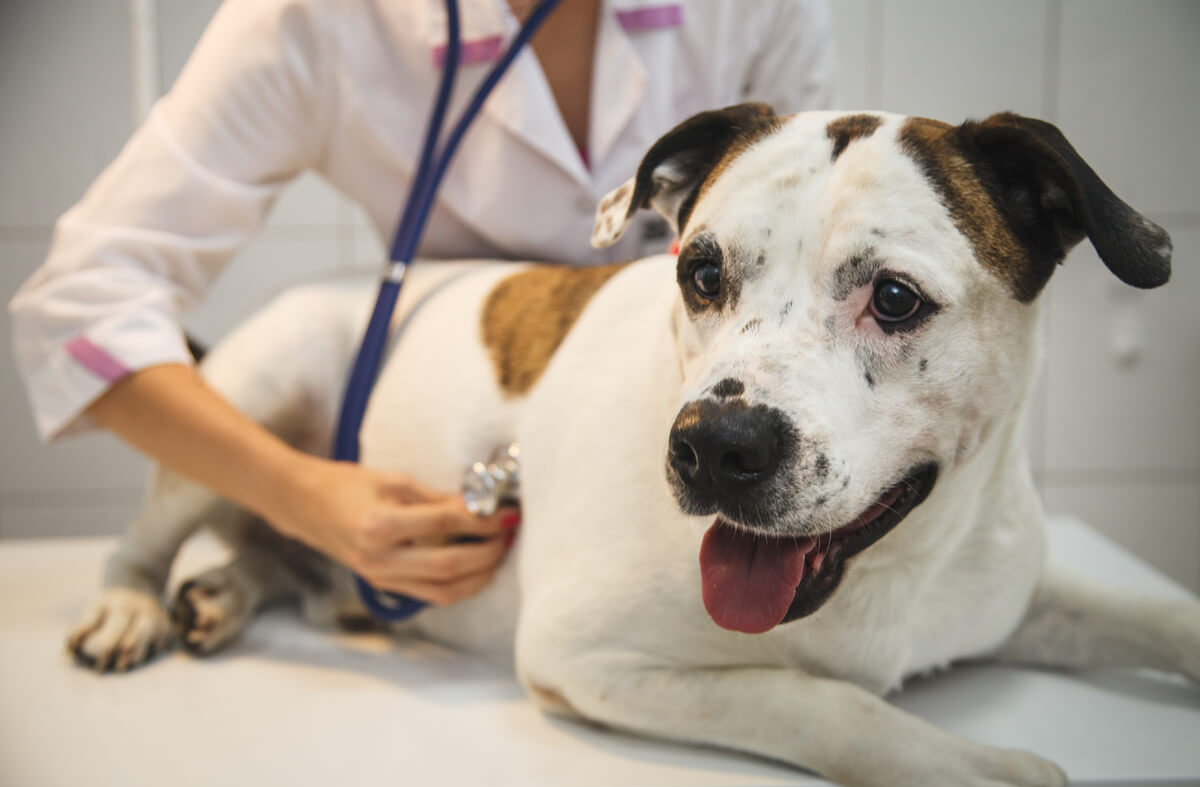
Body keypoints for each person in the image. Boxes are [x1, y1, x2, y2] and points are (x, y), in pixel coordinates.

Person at [9, 0, 835, 607]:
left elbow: (811, 214)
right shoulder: (314, 18)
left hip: (654, 428)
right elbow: (83, 302)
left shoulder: (757, 10)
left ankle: (269, 577)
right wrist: (308, 497)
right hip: (448, 414)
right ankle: (265, 560)